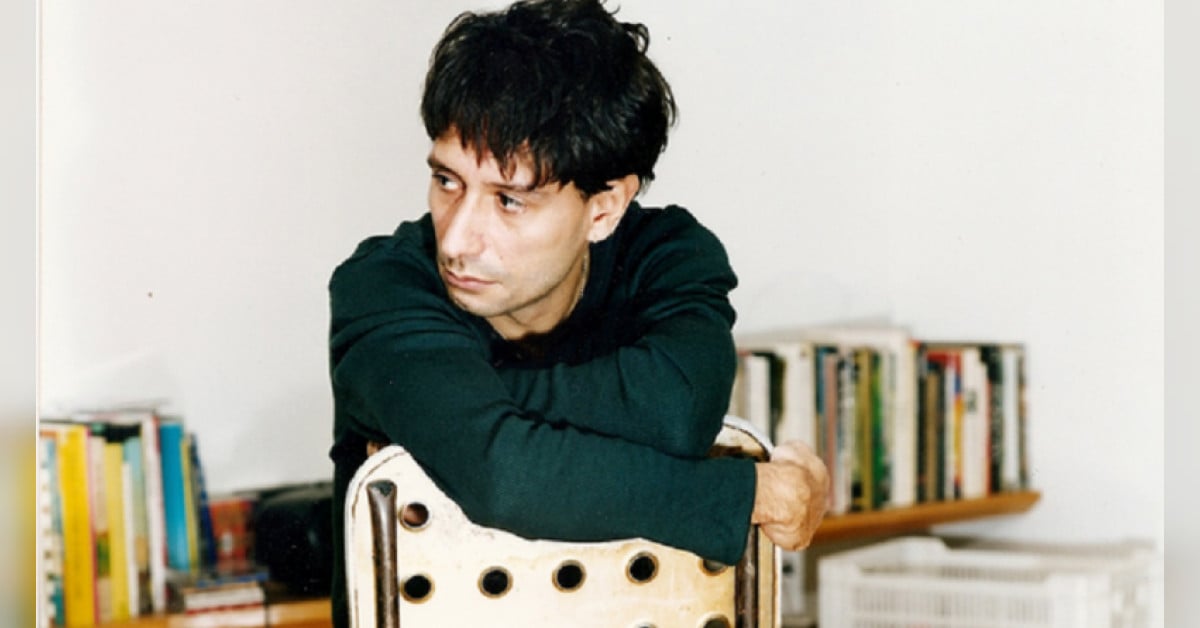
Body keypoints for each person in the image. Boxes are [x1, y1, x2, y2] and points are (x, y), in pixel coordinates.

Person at [326, 0, 829, 625]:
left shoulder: (667, 257)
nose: (456, 240)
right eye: (448, 182)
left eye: (509, 201)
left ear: (605, 207)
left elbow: (677, 417)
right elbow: (503, 477)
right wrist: (750, 495)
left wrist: (477, 416)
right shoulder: (383, 285)